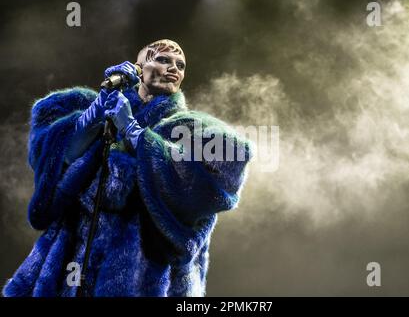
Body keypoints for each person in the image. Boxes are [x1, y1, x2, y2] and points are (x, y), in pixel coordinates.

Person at [3, 39, 252, 297]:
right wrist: (98, 109)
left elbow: (216, 177)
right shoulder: (102, 110)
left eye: (180, 65)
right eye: (163, 60)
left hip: (144, 274)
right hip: (73, 265)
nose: (173, 69)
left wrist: (134, 132)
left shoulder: (190, 127)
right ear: (138, 68)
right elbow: (59, 154)